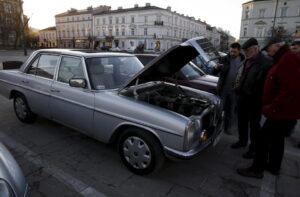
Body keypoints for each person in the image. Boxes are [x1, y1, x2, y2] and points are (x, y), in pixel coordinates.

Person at [237, 37, 300, 178]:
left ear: (277, 45)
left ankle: (256, 169)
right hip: (282, 111)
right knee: (277, 140)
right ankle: (274, 166)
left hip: (281, 111)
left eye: (268, 48)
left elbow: (290, 89)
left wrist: (272, 107)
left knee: (262, 139)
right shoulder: (283, 58)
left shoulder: (288, 58)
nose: (267, 51)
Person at [231, 38, 271, 160]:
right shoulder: (246, 60)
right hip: (242, 97)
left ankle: (253, 149)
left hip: (255, 100)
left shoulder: (265, 62)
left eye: (247, 50)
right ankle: (242, 141)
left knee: (254, 126)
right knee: (242, 122)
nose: (245, 52)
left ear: (255, 49)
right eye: (244, 50)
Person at [213, 42, 245, 134]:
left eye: (234, 52)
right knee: (219, 110)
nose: (232, 54)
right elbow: (214, 72)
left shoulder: (243, 60)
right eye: (231, 51)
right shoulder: (224, 59)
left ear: (239, 51)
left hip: (235, 91)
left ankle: (227, 128)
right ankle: (216, 128)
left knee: (230, 111)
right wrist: (216, 68)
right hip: (223, 89)